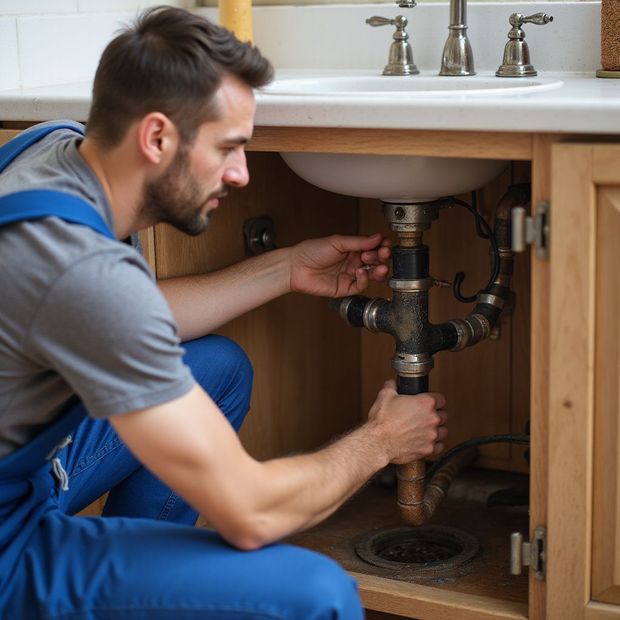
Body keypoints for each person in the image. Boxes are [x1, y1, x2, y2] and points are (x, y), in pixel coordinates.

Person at [0, 6, 448, 620]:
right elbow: (251, 510)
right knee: (316, 594)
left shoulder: (52, 150)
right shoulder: (81, 271)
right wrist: (381, 441)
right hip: (7, 542)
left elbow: (122, 319)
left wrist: (284, 267)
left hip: (26, 465)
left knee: (216, 369)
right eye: (230, 148)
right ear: (156, 137)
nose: (241, 175)